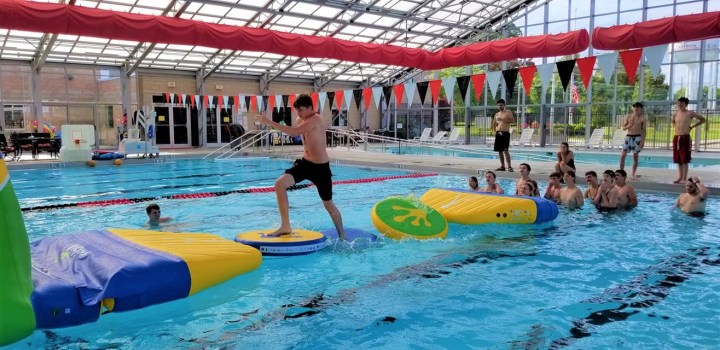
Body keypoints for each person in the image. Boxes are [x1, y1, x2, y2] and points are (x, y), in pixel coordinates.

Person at [254, 94, 347, 240]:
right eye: (297, 111)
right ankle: (285, 225)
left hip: (321, 168)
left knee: (328, 204)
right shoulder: (300, 119)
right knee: (280, 184)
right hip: (305, 164)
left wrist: (268, 122)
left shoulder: (316, 119)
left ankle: (343, 235)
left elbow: (294, 132)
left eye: (301, 110)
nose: (299, 114)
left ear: (310, 107)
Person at [671, 97, 706, 184]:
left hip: (685, 137)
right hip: (676, 137)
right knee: (678, 159)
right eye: (678, 103)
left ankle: (684, 178)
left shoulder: (689, 113)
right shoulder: (675, 114)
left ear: (686, 104)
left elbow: (703, 119)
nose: (679, 105)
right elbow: (673, 121)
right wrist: (675, 127)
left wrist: (693, 126)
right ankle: (680, 177)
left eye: (681, 103)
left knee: (684, 159)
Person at [619, 102, 647, 180]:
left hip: (637, 137)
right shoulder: (628, 117)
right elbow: (623, 128)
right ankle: (621, 173)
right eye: (634, 107)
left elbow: (644, 131)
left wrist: (642, 141)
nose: (636, 109)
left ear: (641, 109)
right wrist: (629, 126)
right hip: (628, 137)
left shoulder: (643, 118)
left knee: (635, 157)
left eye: (637, 108)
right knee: (622, 156)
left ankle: (633, 174)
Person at [492, 99, 514, 172]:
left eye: (501, 105)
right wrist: (494, 131)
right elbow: (494, 123)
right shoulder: (496, 114)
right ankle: (502, 166)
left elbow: (512, 120)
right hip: (498, 133)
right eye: (498, 105)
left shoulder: (508, 112)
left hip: (505, 133)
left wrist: (502, 119)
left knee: (506, 150)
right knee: (499, 151)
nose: (500, 106)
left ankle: (510, 167)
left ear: (504, 105)